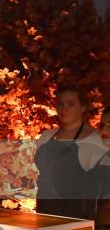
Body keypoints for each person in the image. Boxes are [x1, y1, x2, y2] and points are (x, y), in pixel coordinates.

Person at [35, 86, 109, 218]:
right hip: (43, 212)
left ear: (83, 107)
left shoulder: (98, 140)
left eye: (71, 104)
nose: (64, 109)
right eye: (60, 104)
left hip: (76, 216)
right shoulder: (46, 136)